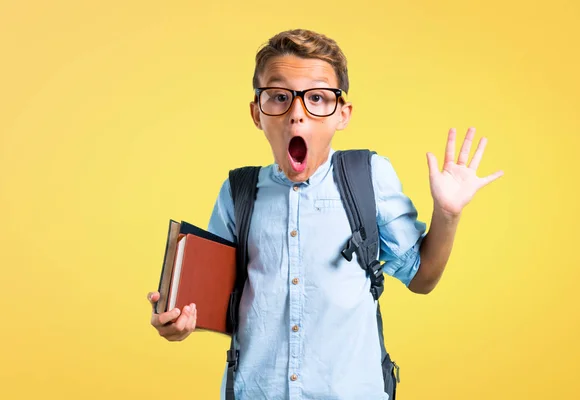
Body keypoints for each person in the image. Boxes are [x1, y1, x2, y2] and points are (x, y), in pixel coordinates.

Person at [146, 29, 503, 399]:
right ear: (257, 112)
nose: (297, 115)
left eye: (317, 98)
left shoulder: (369, 176)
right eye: (279, 97)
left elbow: (422, 277)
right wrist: (179, 321)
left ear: (342, 114)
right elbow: (210, 302)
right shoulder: (238, 192)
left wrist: (447, 214)